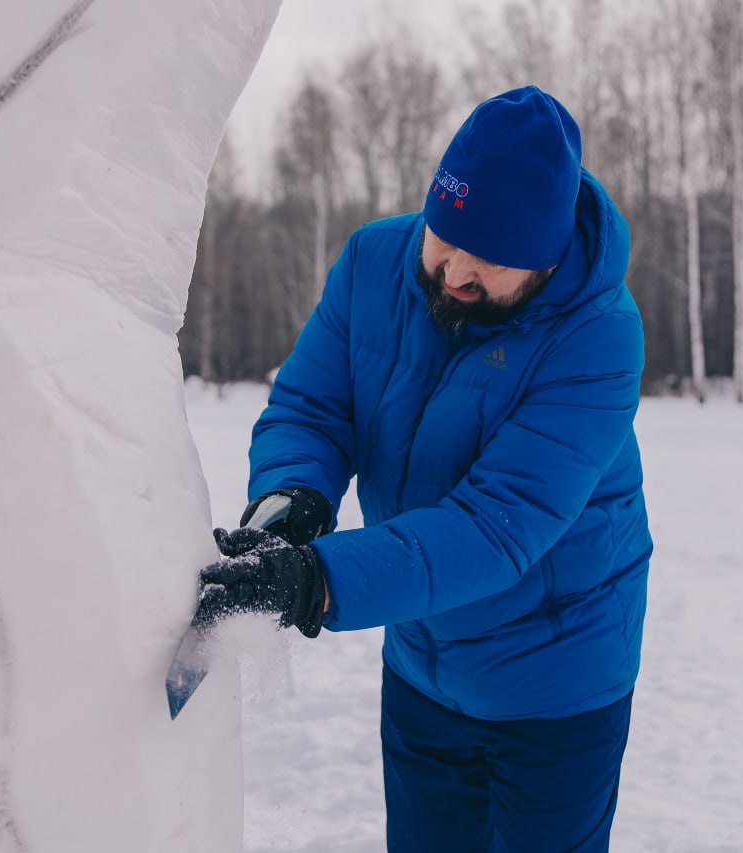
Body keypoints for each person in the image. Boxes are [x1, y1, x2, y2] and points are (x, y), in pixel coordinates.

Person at [197, 85, 651, 852]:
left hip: (557, 684)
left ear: (546, 262)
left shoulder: (599, 337)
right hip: (421, 663)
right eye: (447, 240)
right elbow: (312, 407)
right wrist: (291, 502)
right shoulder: (374, 260)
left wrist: (317, 579)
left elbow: (498, 525)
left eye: (493, 263)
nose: (457, 275)